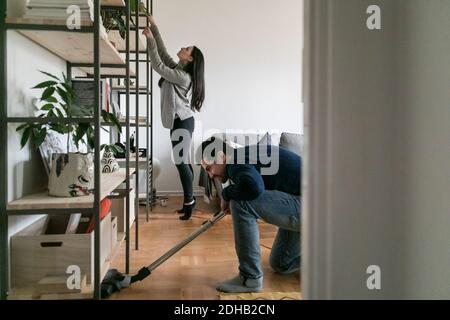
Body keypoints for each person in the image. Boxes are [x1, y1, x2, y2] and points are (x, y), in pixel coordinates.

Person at [200, 137, 301, 293]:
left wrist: (227, 195)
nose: (211, 175)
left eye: (209, 168)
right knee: (281, 264)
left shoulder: (235, 162)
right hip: (314, 205)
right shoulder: (245, 156)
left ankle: (250, 278)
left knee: (240, 202)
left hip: (315, 206)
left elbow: (253, 187)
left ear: (221, 156)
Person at [143, 16, 205, 220]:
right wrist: (154, 28)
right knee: (182, 162)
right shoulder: (178, 70)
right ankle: (189, 201)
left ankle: (189, 202)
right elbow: (163, 54)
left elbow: (158, 66)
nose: (183, 48)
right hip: (180, 121)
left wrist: (150, 39)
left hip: (183, 122)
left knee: (181, 162)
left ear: (190, 59)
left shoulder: (183, 77)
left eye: (187, 49)